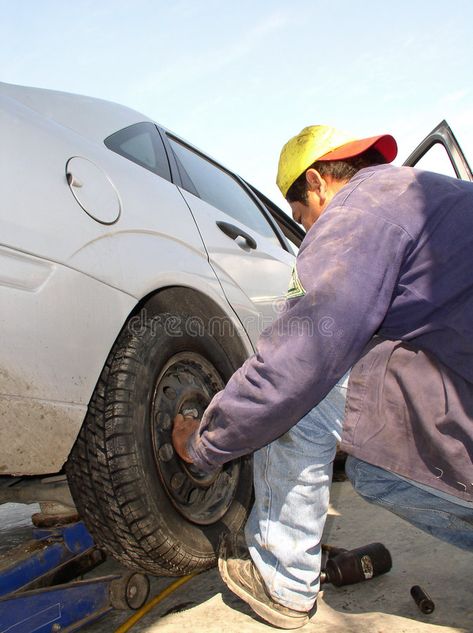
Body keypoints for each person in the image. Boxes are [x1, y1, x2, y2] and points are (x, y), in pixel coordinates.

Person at [172, 125, 473, 629]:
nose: (307, 235)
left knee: (303, 393)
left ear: (317, 183)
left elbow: (297, 364)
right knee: (372, 467)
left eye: (301, 218)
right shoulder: (417, 197)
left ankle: (282, 583)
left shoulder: (359, 209)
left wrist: (204, 442)